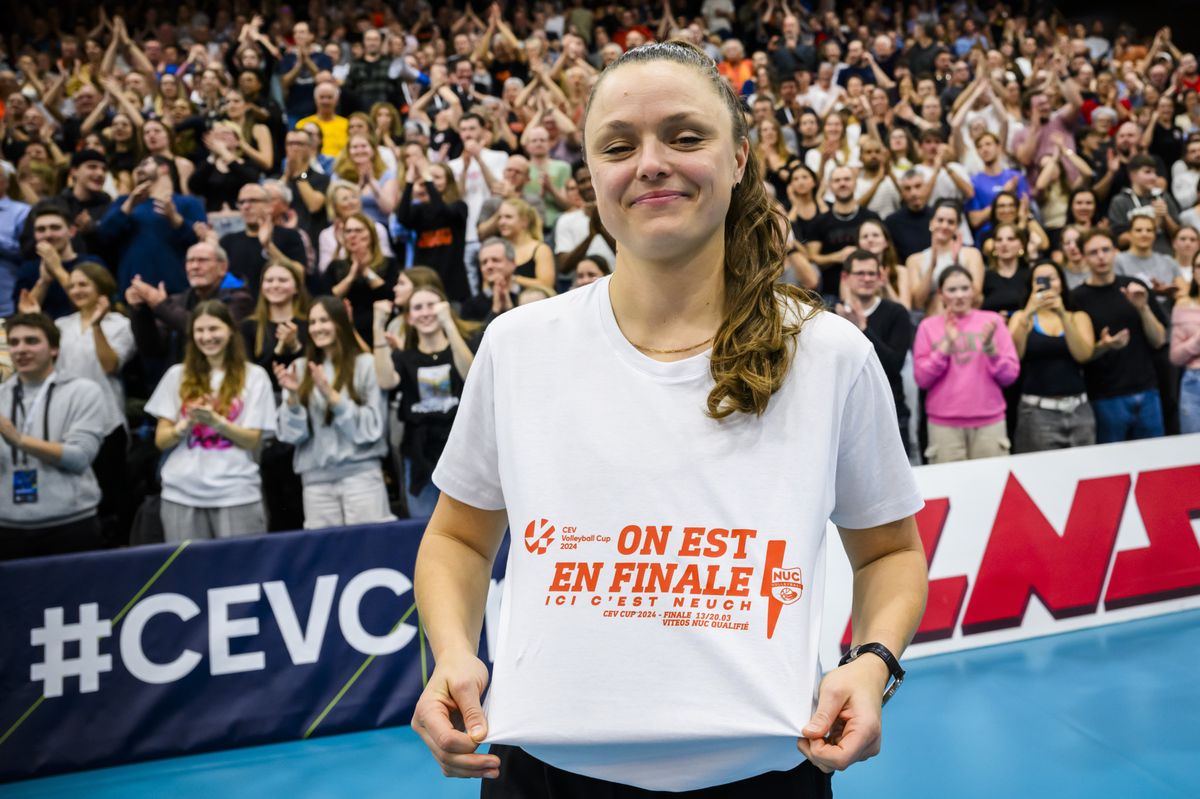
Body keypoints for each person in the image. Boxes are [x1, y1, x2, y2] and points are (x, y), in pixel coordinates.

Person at [412, 40, 927, 797]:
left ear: (741, 155)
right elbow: (457, 537)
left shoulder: (829, 354)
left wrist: (872, 661)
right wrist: (453, 652)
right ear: (590, 174)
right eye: (619, 145)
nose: (650, 162)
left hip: (765, 775)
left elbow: (889, 553)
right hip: (542, 775)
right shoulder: (518, 346)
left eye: (685, 137)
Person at [144, 300, 275, 540]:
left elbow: (252, 440)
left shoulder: (255, 377)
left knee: (241, 572)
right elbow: (161, 441)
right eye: (200, 330)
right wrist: (185, 425)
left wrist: (215, 421)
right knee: (190, 572)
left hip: (236, 492)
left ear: (230, 331)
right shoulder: (176, 375)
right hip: (180, 493)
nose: (207, 337)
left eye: (214, 329)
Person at [274, 296, 392, 529]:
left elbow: (372, 429)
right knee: (327, 560)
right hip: (316, 484)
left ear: (340, 323)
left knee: (371, 551)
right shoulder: (299, 368)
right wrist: (293, 400)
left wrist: (331, 396)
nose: (318, 328)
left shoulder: (366, 364)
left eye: (325, 320)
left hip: (362, 479)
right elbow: (290, 436)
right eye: (313, 322)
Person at [0, 312, 107, 560]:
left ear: (54, 349)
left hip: (70, 524)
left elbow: (79, 457)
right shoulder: (2, 395)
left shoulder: (83, 392)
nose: (21, 349)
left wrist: (19, 440)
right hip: (8, 527)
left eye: (31, 341)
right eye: (14, 343)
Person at [374, 284, 479, 518]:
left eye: (431, 305)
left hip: (460, 447)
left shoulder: (463, 347)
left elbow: (472, 375)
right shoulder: (404, 357)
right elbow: (385, 381)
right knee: (423, 526)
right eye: (418, 308)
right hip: (419, 454)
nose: (425, 312)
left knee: (466, 521)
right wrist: (377, 325)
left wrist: (449, 323)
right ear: (409, 318)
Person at [913, 266, 1020, 463]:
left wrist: (991, 350)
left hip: (990, 422)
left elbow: (1010, 376)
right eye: (952, 290)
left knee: (992, 487)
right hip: (944, 425)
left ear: (974, 290)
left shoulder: (993, 321)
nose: (959, 295)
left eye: (965, 288)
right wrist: (946, 345)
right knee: (949, 486)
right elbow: (922, 379)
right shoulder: (928, 326)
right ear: (940, 294)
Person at [1072, 229, 1169, 443]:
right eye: (1093, 252)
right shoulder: (1077, 298)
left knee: (1154, 465)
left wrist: (1143, 309)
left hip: (1147, 390)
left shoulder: (1135, 287)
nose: (1101, 256)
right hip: (1105, 395)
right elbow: (1081, 354)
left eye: (1106, 250)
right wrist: (1105, 345)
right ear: (1084, 257)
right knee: (1112, 468)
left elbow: (1159, 340)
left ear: (1116, 252)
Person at [1007, 261, 1096, 452]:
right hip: (1037, 411)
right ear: (1031, 285)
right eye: (1040, 279)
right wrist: (1029, 312)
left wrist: (1063, 315)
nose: (1047, 284)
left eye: (1052, 278)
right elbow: (1014, 355)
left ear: (1062, 283)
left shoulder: (1077, 317)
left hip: (1078, 408)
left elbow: (1083, 355)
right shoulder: (1021, 318)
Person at [126, 240, 255, 369]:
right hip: (186, 378)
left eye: (202, 260)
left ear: (222, 267)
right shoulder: (178, 301)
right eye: (190, 261)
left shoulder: (240, 299)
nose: (194, 266)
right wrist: (140, 310)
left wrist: (160, 305)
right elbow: (152, 348)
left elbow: (208, 327)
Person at [836, 249, 914, 452]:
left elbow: (894, 365)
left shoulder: (897, 313)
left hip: (890, 411)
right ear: (845, 277)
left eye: (872, 274)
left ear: (880, 278)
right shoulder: (832, 316)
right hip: (846, 414)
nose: (867, 278)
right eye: (860, 273)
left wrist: (863, 328)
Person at [97, 154, 206, 293]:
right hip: (133, 291)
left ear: (164, 169)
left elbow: (201, 242)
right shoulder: (124, 202)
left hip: (178, 291)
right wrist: (129, 205)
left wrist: (175, 219)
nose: (138, 169)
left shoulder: (188, 202)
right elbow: (104, 235)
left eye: (145, 163)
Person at [396, 155, 471, 303]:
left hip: (452, 282)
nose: (429, 180)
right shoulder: (420, 209)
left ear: (448, 182)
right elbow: (402, 218)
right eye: (429, 177)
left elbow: (441, 212)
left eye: (437, 177)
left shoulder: (459, 207)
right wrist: (409, 182)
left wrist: (428, 180)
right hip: (426, 281)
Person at [805, 165, 880, 296]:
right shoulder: (819, 222)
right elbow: (812, 258)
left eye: (847, 179)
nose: (842, 184)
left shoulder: (871, 217)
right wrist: (837, 257)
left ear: (855, 183)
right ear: (830, 186)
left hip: (870, 289)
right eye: (837, 180)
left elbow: (886, 253)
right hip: (830, 294)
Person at [220, 183, 308, 294]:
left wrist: (268, 246)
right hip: (239, 306)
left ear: (269, 206)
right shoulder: (228, 241)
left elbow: (299, 275)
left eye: (253, 201)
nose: (246, 206)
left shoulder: (290, 236)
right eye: (241, 202)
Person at [327, 212, 400, 344]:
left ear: (371, 235)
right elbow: (328, 299)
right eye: (348, 231)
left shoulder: (389, 263)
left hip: (383, 328)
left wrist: (366, 271)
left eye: (358, 230)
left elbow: (390, 295)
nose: (353, 235)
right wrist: (351, 277)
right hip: (347, 330)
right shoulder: (336, 266)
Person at [907, 200, 985, 314]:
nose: (944, 226)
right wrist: (932, 265)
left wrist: (957, 262)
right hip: (931, 318)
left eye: (951, 222)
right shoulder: (915, 260)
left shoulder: (972, 254)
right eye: (940, 220)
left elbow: (976, 297)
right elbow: (917, 303)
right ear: (931, 223)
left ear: (957, 227)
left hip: (965, 319)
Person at [1170, 267, 1200, 433]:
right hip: (1194, 380)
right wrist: (1197, 342)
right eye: (1199, 266)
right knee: (1194, 447)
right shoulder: (1183, 306)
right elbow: (1175, 357)